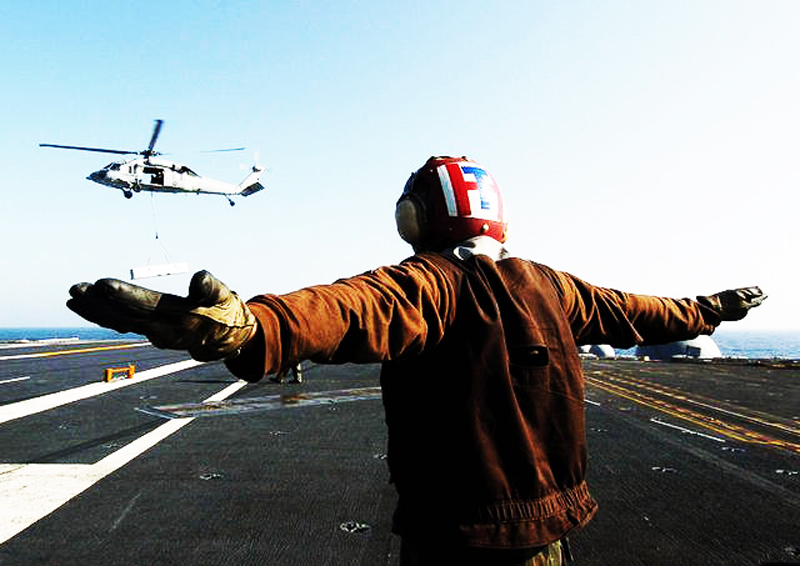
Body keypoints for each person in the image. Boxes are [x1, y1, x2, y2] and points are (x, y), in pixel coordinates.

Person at [67, 156, 765, 566]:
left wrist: (249, 328)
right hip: (553, 531)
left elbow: (341, 308)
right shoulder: (553, 285)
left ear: (415, 218)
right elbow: (644, 311)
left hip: (456, 540)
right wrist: (713, 306)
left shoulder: (425, 282)